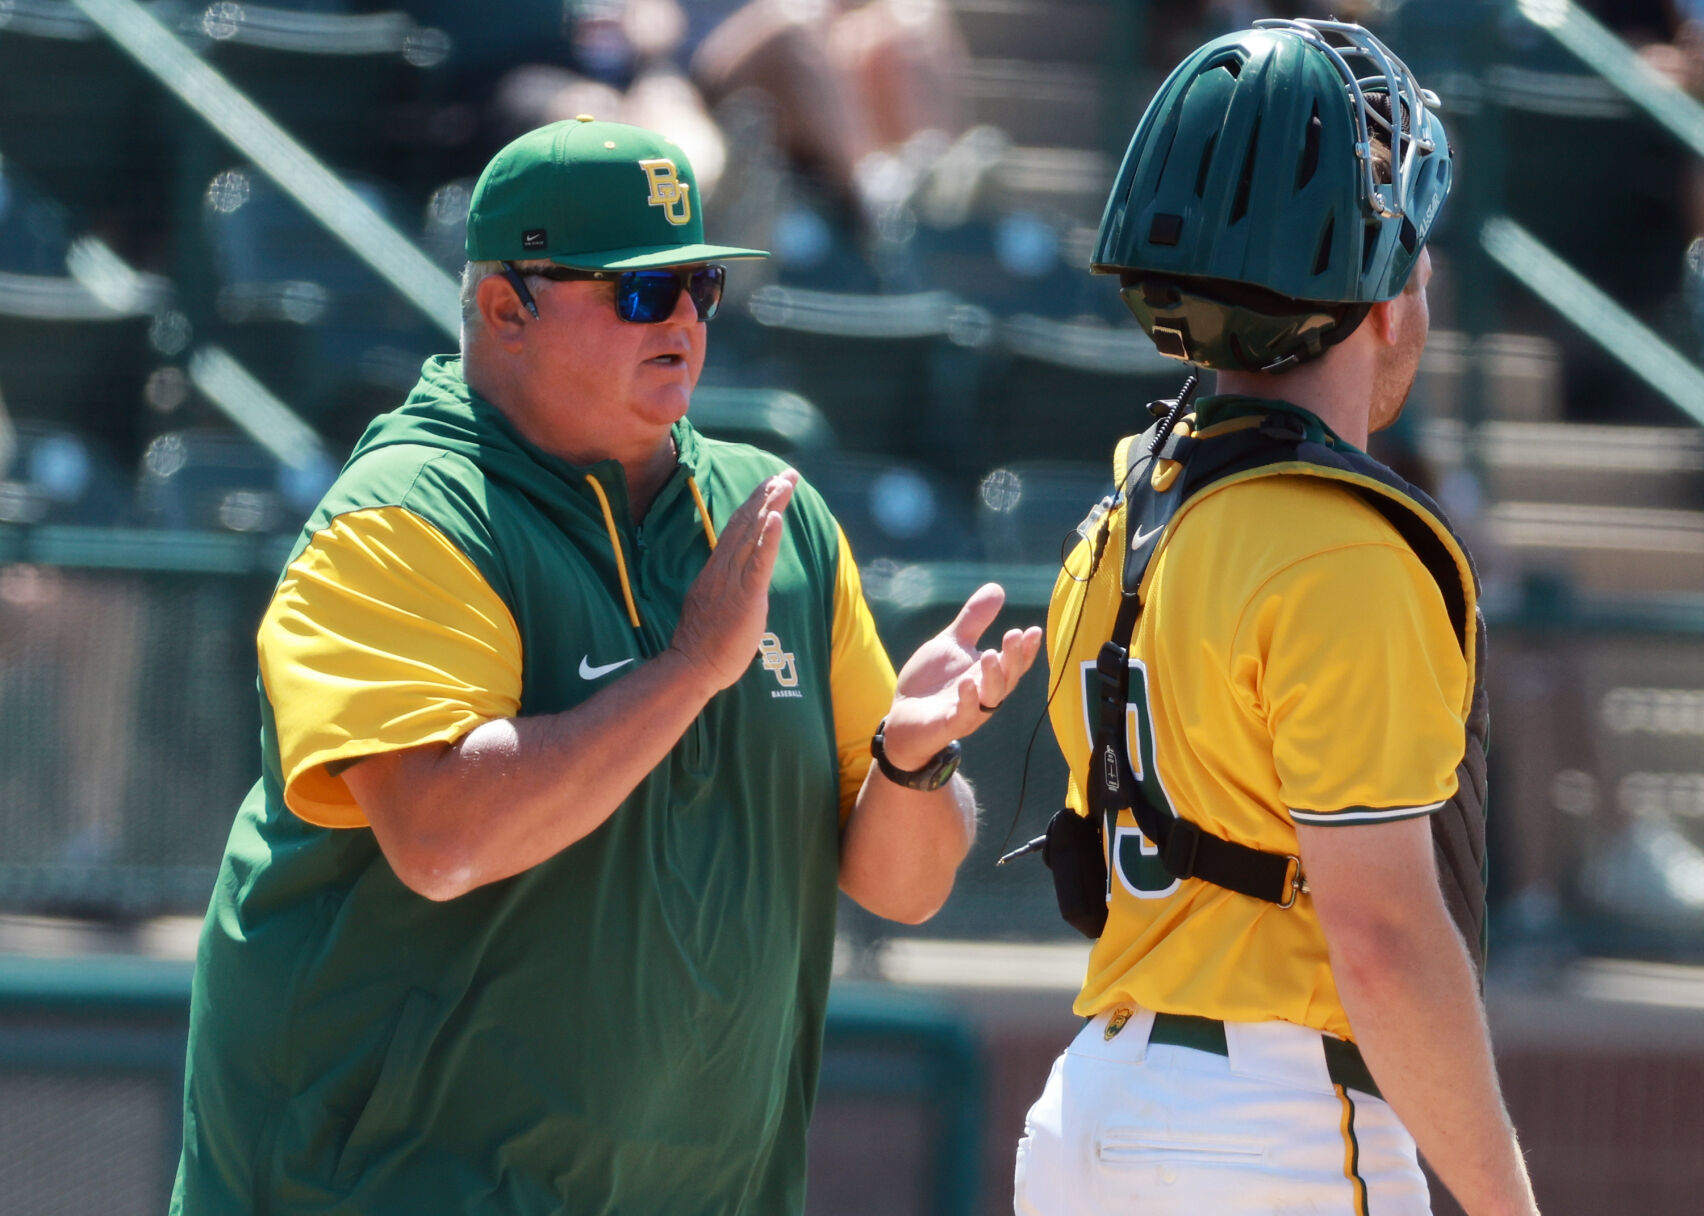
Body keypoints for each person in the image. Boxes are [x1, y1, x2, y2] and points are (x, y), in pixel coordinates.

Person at [170, 116, 1041, 1214]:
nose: (681, 320)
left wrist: (913, 766)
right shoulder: (407, 516)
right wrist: (687, 669)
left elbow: (900, 887)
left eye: (700, 287)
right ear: (503, 307)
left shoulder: (774, 521)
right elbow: (441, 838)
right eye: (638, 293)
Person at [1012, 20, 1539, 1216]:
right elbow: (1384, 939)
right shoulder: (1343, 542)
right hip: (1276, 1132)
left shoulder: (1125, 512)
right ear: (1388, 289)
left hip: (1092, 1113)